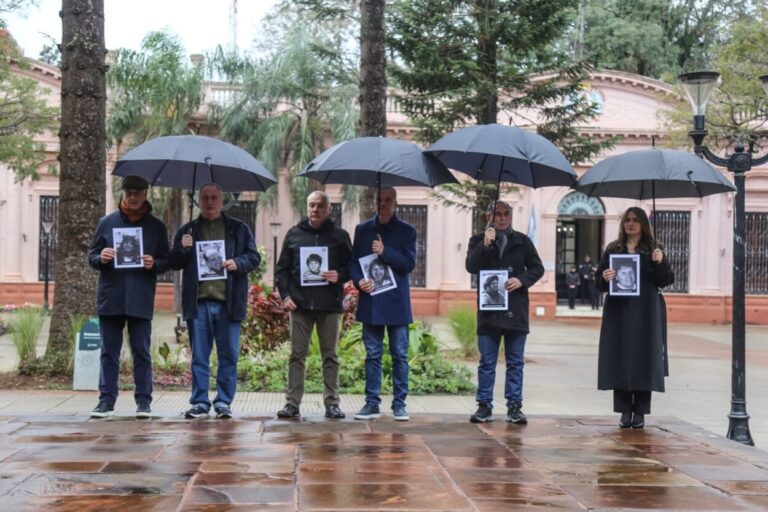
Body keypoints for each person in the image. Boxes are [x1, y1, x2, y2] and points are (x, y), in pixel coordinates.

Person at [169, 182, 260, 419]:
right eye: (205, 197)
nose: (209, 202)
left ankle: (223, 402)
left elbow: (254, 257)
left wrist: (237, 263)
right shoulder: (188, 230)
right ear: (200, 201)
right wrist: (182, 248)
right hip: (198, 304)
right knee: (200, 356)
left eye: (214, 197)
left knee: (228, 355)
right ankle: (199, 402)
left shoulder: (238, 229)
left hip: (228, 303)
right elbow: (173, 262)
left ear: (221, 200)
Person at [87, 175, 169, 419]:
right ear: (123, 193)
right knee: (108, 352)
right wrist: (101, 257)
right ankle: (106, 401)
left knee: (141, 352)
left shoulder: (157, 227)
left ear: (146, 194)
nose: (133, 197)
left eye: (137, 192)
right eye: (129, 192)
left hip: (140, 298)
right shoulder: (107, 223)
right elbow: (92, 255)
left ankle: (143, 402)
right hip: (111, 298)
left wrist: (154, 262)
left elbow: (166, 260)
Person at [595, 207, 674, 429]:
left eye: (635, 220)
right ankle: (624, 410)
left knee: (643, 357)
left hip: (646, 311)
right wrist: (604, 276)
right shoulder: (614, 249)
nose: (630, 224)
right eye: (626, 220)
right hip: (618, 311)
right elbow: (599, 282)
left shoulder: (653, 249)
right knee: (620, 357)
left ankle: (640, 410)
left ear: (643, 224)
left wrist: (661, 261)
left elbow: (666, 280)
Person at [275, 191, 352, 419]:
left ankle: (332, 403)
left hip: (329, 305)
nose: (315, 210)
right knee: (297, 355)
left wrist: (339, 275)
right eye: (311, 205)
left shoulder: (340, 236)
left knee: (330, 356)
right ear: (306, 208)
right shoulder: (294, 235)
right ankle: (292, 403)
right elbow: (282, 270)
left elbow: (353, 268)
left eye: (320, 206)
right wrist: (286, 296)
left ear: (329, 209)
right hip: (299, 306)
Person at [466, 200, 544, 424]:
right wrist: (485, 245)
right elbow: (471, 267)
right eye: (497, 214)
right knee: (487, 362)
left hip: (515, 311)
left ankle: (515, 407)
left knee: (515, 363)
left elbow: (537, 268)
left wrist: (521, 280)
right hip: (489, 312)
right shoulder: (477, 240)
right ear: (488, 218)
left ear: (510, 216)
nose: (502, 218)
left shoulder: (522, 241)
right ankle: (484, 406)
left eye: (506, 214)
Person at [350, 187, 416, 421]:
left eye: (389, 200)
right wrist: (359, 281)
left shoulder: (407, 231)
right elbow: (353, 263)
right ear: (375, 201)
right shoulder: (362, 230)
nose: (384, 204)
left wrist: (384, 251)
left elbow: (408, 264)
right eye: (380, 200)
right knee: (373, 355)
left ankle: (399, 404)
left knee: (399, 355)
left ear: (396, 203)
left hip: (397, 304)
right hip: (371, 303)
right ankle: (371, 403)